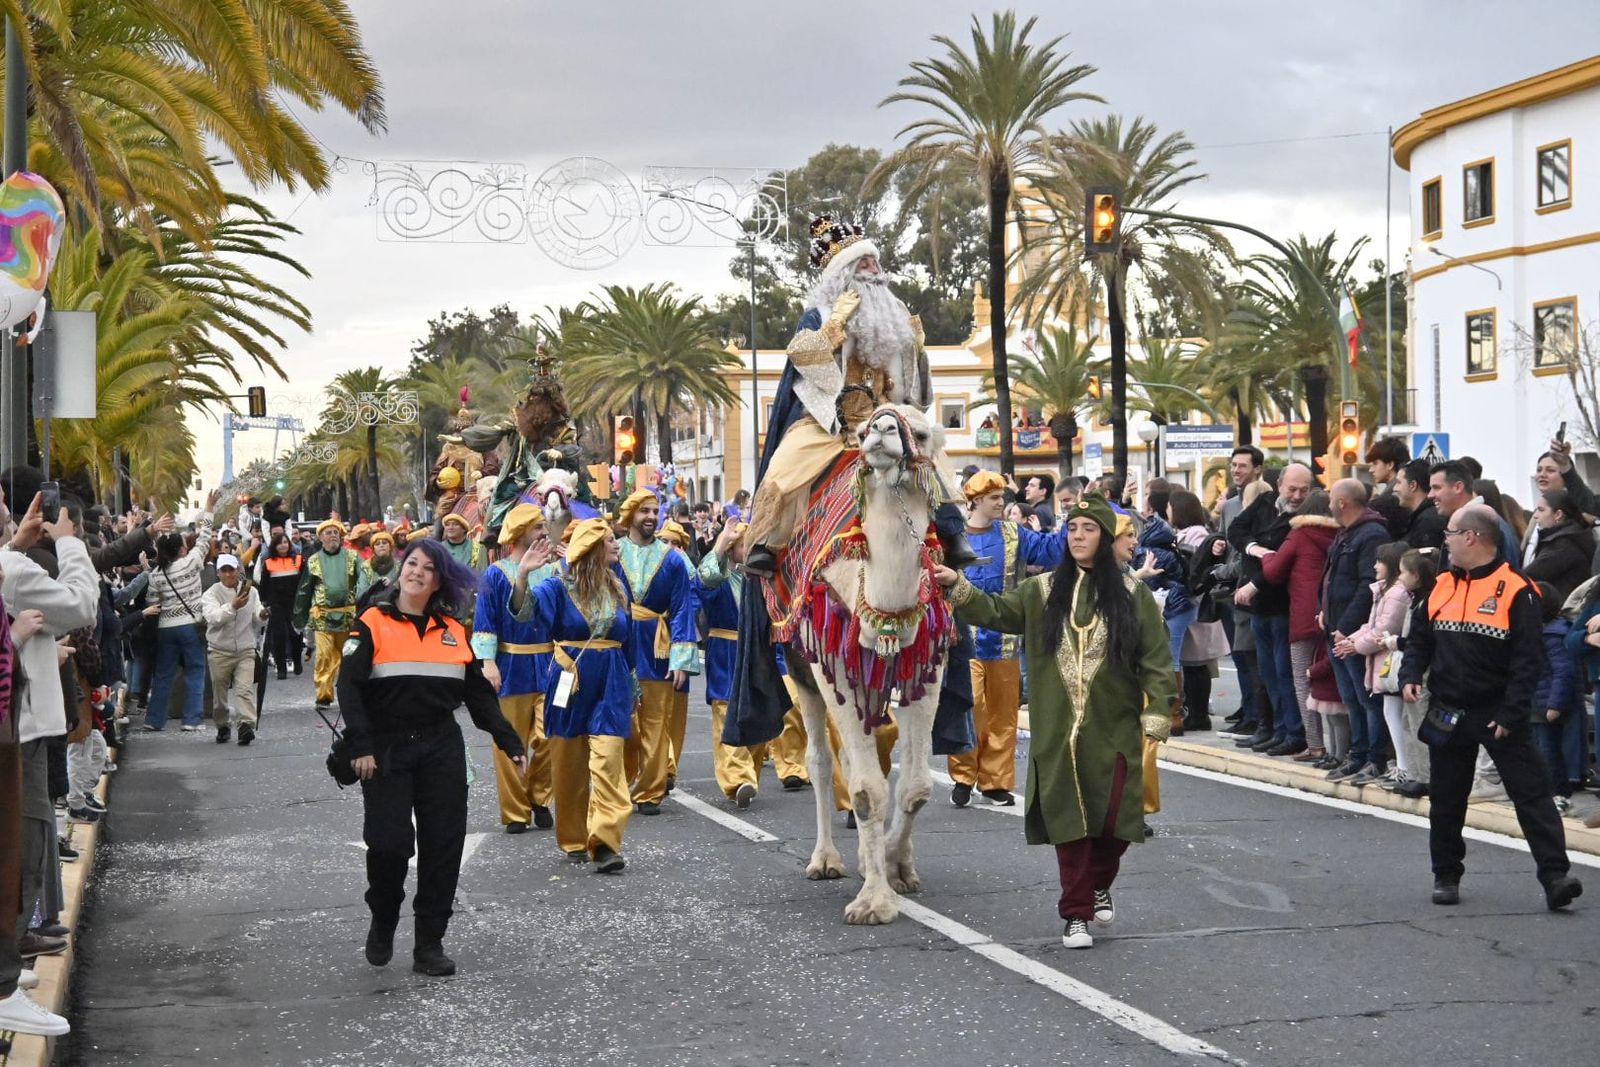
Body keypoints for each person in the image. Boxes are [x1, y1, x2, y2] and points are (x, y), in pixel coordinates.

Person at [933, 494, 1175, 950]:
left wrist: (1158, 709)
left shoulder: (1132, 595)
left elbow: (1157, 659)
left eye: (1088, 529)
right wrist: (957, 586)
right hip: (1057, 733)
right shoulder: (1041, 591)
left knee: (1115, 822)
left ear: (1105, 538)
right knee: (1071, 823)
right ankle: (1076, 913)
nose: (1078, 536)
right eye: (1073, 529)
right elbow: (999, 612)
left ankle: (1100, 883)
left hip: (1115, 728)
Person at [742, 214, 976, 578]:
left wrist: (917, 348)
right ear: (842, 272)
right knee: (785, 462)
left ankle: (952, 533)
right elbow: (802, 358)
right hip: (830, 423)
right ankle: (766, 544)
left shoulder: (895, 314)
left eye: (873, 260)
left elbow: (914, 389)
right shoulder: (818, 315)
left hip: (885, 414)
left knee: (930, 455)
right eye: (862, 262)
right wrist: (835, 324)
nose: (872, 267)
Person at [339, 537, 527, 976]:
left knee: (443, 846)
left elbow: (479, 697)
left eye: (428, 568)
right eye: (412, 564)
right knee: (390, 846)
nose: (416, 572)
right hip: (385, 748)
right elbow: (349, 687)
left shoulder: (452, 630)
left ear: (439, 581)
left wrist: (510, 741)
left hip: (441, 746)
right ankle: (383, 918)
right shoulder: (372, 622)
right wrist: (361, 744)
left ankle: (429, 944)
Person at [1398, 504, 1582, 911]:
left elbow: (1528, 659)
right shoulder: (1442, 584)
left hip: (1498, 709)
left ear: (1471, 537)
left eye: (1449, 532)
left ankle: (1555, 877)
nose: (1443, 540)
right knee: (1447, 799)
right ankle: (1446, 874)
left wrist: (1513, 712)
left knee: (1532, 796)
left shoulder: (1517, 589)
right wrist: (1410, 673)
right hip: (1449, 707)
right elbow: (1421, 640)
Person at [518, 518, 636, 870]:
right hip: (570, 677)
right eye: (611, 540)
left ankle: (604, 842)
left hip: (612, 678)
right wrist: (523, 575)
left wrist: (632, 686)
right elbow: (526, 613)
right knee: (568, 762)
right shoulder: (556, 587)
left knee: (609, 758)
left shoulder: (618, 586)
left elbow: (628, 640)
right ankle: (573, 837)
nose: (617, 545)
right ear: (594, 548)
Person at [949, 471, 1064, 806]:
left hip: (1005, 639)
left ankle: (995, 782)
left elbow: (1050, 551)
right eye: (995, 498)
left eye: (1002, 497)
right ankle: (962, 776)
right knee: (970, 708)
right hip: (963, 640)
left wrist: (1075, 525)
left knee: (1003, 714)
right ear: (975, 502)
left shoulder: (1015, 533)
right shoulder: (951, 537)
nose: (1002, 502)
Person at [471, 504, 559, 834]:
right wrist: (488, 662)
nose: (543, 531)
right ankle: (515, 811)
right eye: (537, 526)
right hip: (511, 665)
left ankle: (539, 796)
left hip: (549, 664)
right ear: (520, 531)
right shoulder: (496, 573)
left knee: (551, 735)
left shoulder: (553, 573)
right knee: (509, 739)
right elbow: (485, 621)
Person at [614, 491, 697, 815]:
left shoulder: (673, 559)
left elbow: (682, 610)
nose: (650, 516)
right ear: (630, 514)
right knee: (623, 720)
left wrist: (681, 658)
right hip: (620, 644)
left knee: (656, 721)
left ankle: (650, 790)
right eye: (643, 510)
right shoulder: (612, 552)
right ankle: (622, 783)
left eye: (654, 510)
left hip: (657, 646)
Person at [1234, 463, 1314, 755]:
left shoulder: (1305, 519)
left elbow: (1281, 561)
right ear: (1279, 484)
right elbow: (1236, 529)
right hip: (1259, 608)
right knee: (1267, 673)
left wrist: (1255, 579)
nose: (1296, 495)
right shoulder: (1265, 503)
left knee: (1285, 673)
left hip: (1282, 604)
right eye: (1292, 489)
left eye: (1303, 490)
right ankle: (1278, 728)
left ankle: (1293, 731)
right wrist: (1254, 547)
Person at [1261, 490, 1340, 764]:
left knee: (1302, 679)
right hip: (1333, 615)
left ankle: (1316, 745)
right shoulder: (1340, 535)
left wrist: (1265, 556)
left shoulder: (1300, 535)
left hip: (1304, 616)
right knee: (1334, 680)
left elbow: (1273, 572)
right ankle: (1340, 746)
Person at [1322, 479, 1392, 782]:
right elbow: (1333, 578)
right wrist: (1324, 611)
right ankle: (1358, 752)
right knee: (1351, 698)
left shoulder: (1371, 534)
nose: (1327, 505)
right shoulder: (1346, 533)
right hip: (1337, 628)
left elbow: (1367, 586)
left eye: (1331, 499)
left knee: (1366, 699)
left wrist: (1346, 627)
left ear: (1342, 503)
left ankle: (1372, 757)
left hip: (1353, 634)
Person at [695, 521, 770, 807]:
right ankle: (739, 778)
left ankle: (750, 772)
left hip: (755, 650)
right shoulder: (721, 577)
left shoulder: (758, 578)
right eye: (741, 545)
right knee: (727, 712)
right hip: (726, 649)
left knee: (758, 712)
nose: (747, 550)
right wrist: (720, 541)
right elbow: (705, 578)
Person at [143, 489, 221, 730]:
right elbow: (205, 536)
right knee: (195, 670)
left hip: (166, 628)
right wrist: (209, 507)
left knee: (164, 674)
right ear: (180, 550)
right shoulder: (191, 563)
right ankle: (192, 719)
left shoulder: (156, 574)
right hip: (190, 625)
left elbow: (151, 602)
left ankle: (154, 720)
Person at [1342, 542, 1414, 787]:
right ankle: (1402, 766)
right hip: (1383, 659)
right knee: (1390, 714)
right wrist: (1352, 638)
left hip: (1391, 661)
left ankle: (1404, 767)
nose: (1374, 566)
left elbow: (1384, 629)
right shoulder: (1384, 590)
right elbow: (1372, 625)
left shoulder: (1396, 593)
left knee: (1395, 716)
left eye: (1379, 561)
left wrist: (1356, 645)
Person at [293, 520, 371, 709]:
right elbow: (304, 590)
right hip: (322, 618)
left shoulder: (353, 557)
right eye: (328, 533)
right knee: (324, 656)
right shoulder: (313, 560)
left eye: (336, 532)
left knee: (350, 656)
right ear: (321, 538)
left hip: (348, 617)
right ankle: (324, 696)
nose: (333, 536)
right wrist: (299, 617)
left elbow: (365, 578)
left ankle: (350, 692)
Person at [200, 553, 266, 746]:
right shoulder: (211, 594)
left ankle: (246, 724)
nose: (229, 574)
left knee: (244, 689)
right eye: (224, 570)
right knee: (219, 695)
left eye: (232, 569)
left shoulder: (251, 591)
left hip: (246, 649)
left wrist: (263, 615)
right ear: (218, 573)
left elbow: (257, 615)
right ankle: (222, 724)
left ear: (238, 570)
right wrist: (233, 606)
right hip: (220, 650)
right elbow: (213, 618)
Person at [1529, 582, 1583, 815]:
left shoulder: (1552, 635)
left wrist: (1554, 704)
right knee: (1540, 751)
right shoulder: (1544, 632)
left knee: (1549, 753)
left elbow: (1564, 671)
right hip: (1538, 702)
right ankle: (1547, 794)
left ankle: (1559, 795)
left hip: (1547, 704)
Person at [1523, 489, 1592, 602]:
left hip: (1562, 612)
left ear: (1558, 514)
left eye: (1541, 510)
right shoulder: (1573, 536)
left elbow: (1528, 575)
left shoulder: (1563, 545)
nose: (1535, 516)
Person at [255, 531, 303, 679]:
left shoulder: (299, 560)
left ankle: (296, 660)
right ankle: (281, 667)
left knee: (295, 635)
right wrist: (264, 603)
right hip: (276, 604)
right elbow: (264, 585)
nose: (283, 545)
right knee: (279, 636)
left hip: (294, 603)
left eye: (285, 542)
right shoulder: (269, 563)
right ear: (274, 546)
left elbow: (304, 583)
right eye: (279, 543)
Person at [1394, 459, 1446, 550]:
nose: (1394, 488)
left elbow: (1426, 561)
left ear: (1413, 485)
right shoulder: (1422, 518)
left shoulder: (1429, 521)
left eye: (1398, 482)